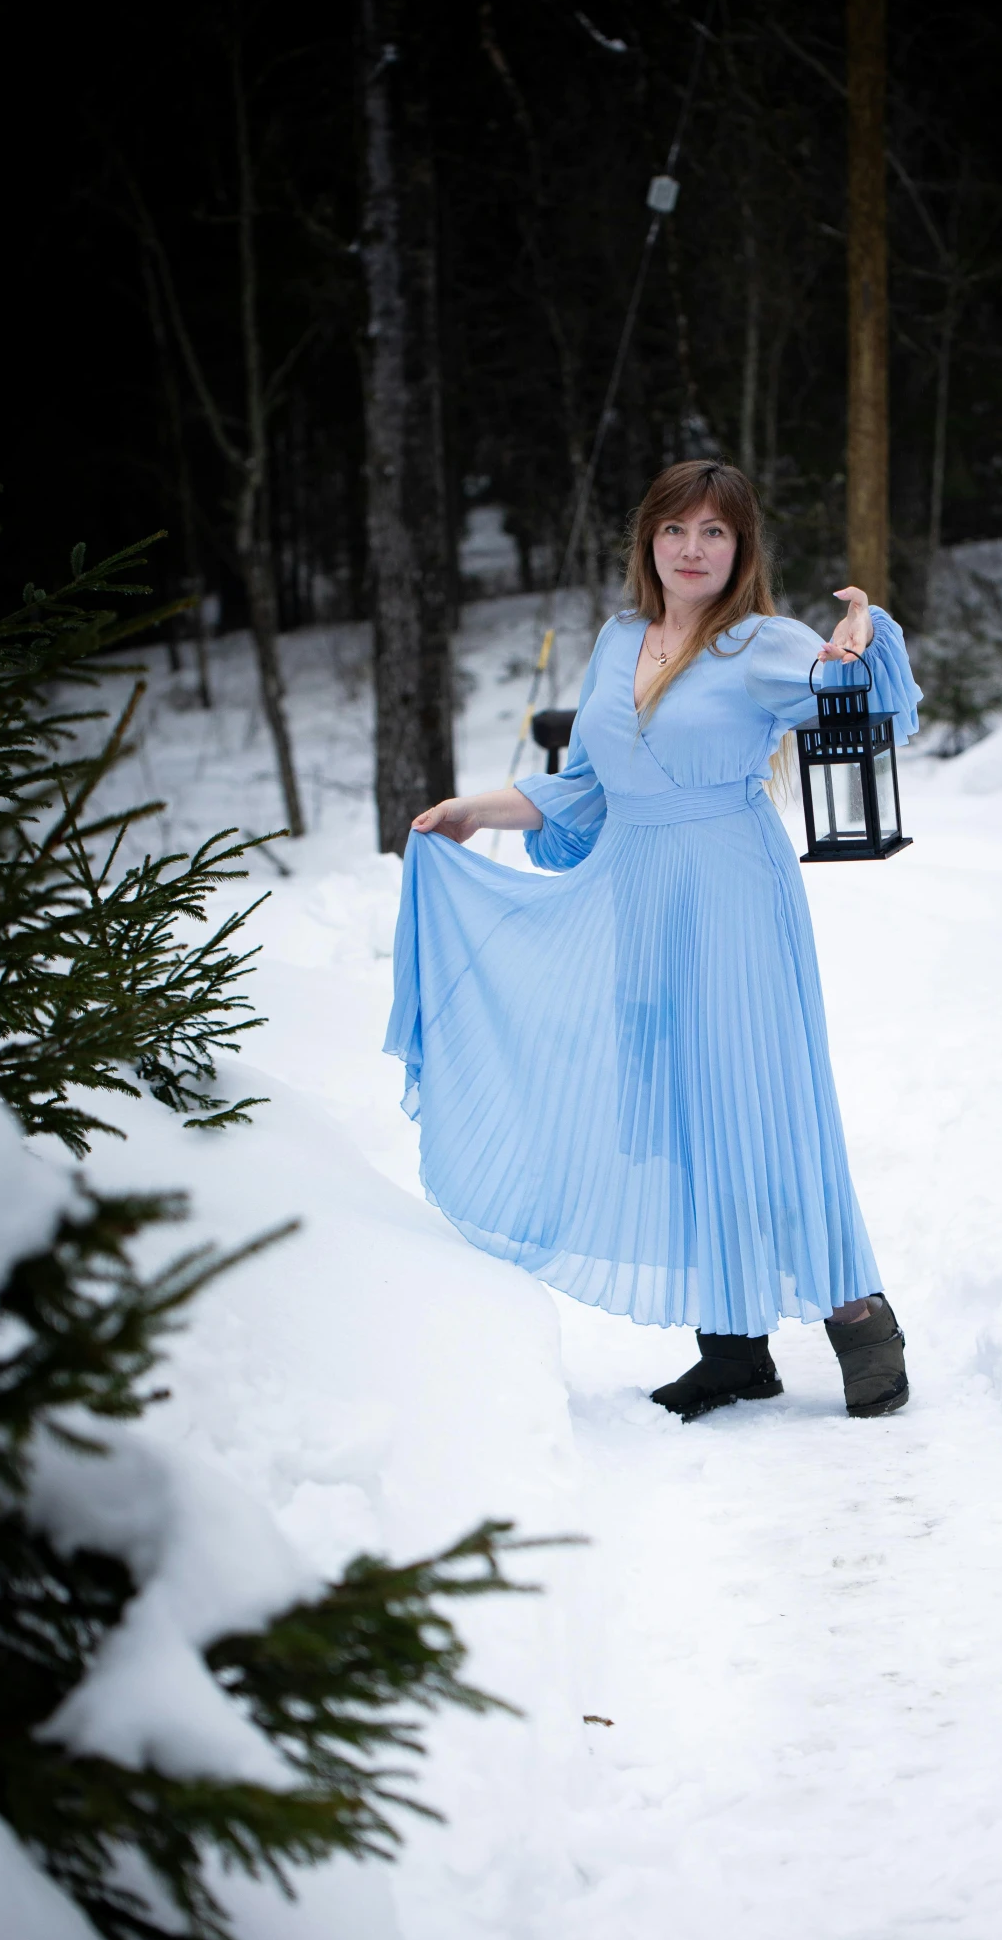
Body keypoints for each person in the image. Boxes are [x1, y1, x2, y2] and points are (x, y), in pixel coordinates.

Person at [387, 458, 920, 1422]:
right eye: (675, 529)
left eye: (714, 531)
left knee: (762, 1105)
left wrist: (861, 640)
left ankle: (860, 1321)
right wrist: (477, 810)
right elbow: (586, 784)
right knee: (675, 1110)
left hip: (730, 897)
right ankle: (732, 1350)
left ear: (740, 547)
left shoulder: (762, 643)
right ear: (648, 541)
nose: (691, 548)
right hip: (639, 896)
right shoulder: (617, 638)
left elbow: (856, 702)